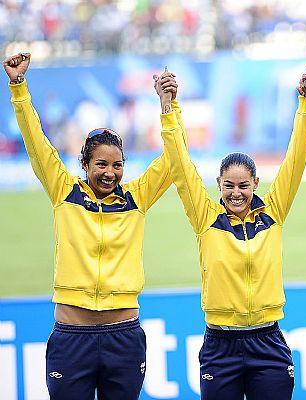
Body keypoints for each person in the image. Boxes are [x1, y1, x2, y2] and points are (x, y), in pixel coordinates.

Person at [4, 52, 183, 399]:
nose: (109, 173)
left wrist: (169, 105)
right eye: (101, 164)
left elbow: (176, 158)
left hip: (124, 336)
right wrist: (18, 87)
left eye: (117, 165)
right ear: (84, 163)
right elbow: (36, 142)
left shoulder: (137, 197)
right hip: (72, 337)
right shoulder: (63, 190)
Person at [158, 69, 306, 400]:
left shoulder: (272, 213)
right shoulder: (205, 216)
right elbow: (180, 165)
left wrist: (305, 104)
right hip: (220, 346)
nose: (236, 193)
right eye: (229, 186)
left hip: (268, 343)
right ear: (218, 185)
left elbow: (293, 161)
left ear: (255, 185)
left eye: (244, 186)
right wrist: (167, 107)